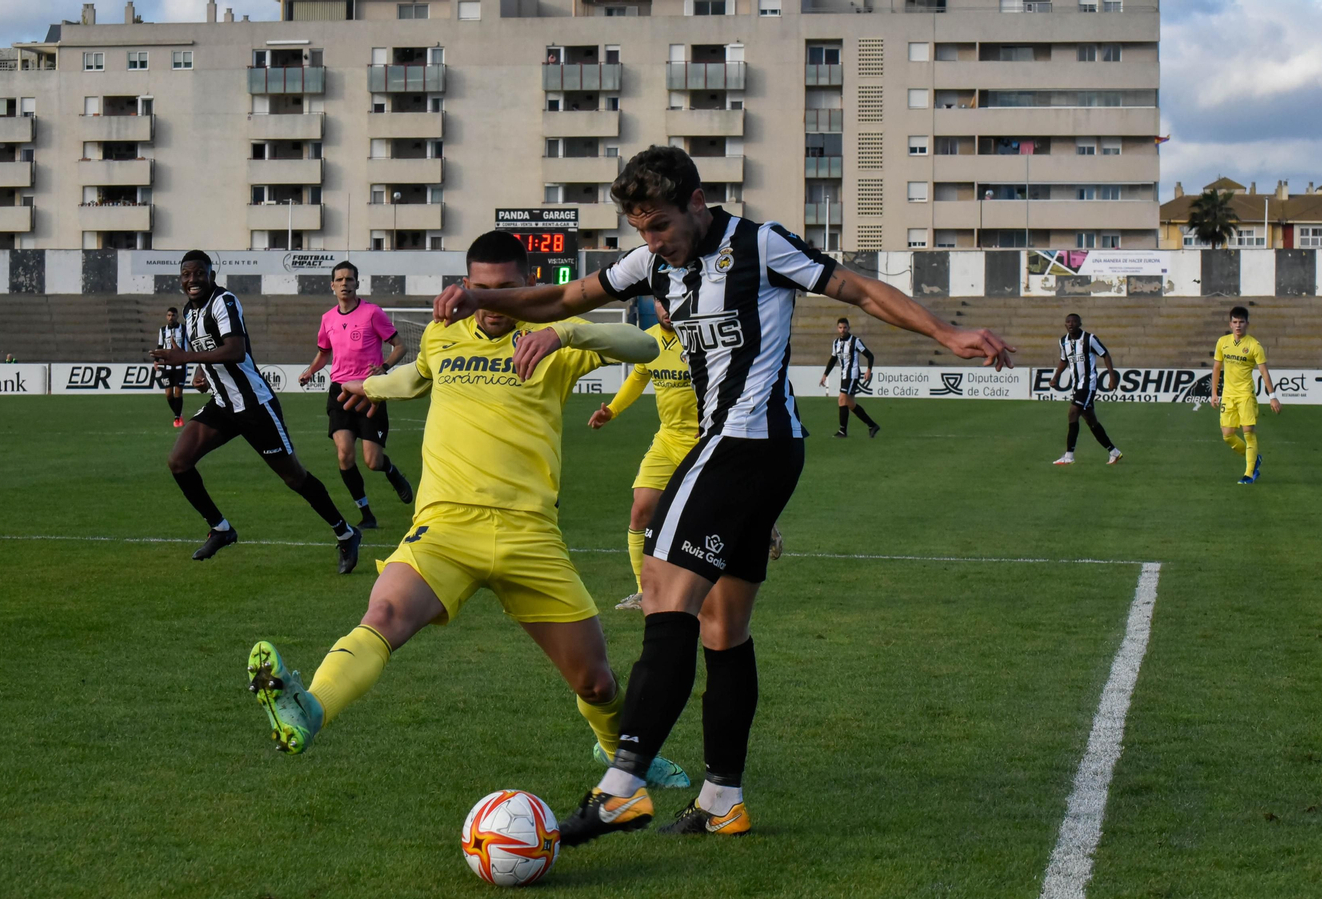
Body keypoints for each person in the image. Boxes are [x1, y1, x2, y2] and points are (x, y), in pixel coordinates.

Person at [428, 145, 1014, 843]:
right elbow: (562, 297)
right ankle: (722, 799)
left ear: (697, 204)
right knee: (722, 627)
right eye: (642, 231)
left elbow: (854, 288)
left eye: (661, 227)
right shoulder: (652, 264)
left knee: (663, 594)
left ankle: (621, 788)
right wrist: (481, 297)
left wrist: (945, 332)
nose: (652, 244)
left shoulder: (759, 245)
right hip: (757, 454)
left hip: (743, 443)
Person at [244, 232, 688, 789]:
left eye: (506, 290)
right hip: (447, 524)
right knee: (383, 615)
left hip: (530, 534)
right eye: (481, 290)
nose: (493, 301)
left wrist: (561, 330)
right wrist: (373, 385)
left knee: (596, 683)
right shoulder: (443, 332)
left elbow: (644, 347)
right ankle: (310, 708)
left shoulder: (554, 340)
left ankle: (622, 758)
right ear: (466, 286)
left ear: (530, 286)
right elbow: (418, 375)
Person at [150, 250, 362, 572]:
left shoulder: (224, 301)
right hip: (223, 404)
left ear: (211, 275)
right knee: (179, 462)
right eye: (186, 275)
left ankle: (345, 533)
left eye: (199, 274)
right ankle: (221, 528)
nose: (192, 280)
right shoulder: (189, 312)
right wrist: (200, 374)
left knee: (294, 477)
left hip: (254, 406)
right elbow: (211, 350)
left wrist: (187, 359)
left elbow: (235, 350)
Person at [589, 299, 782, 612]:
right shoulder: (647, 341)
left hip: (704, 438)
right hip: (667, 439)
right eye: (660, 303)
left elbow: (732, 379)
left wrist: (715, 419)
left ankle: (760, 525)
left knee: (714, 514)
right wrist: (611, 410)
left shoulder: (702, 338)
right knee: (641, 509)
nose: (665, 309)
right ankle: (644, 592)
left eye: (670, 303)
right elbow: (638, 378)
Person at [298, 260, 415, 529]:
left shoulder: (373, 313)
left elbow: (400, 346)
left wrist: (383, 368)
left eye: (349, 279)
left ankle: (392, 472)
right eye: (339, 280)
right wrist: (310, 371)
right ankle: (366, 514)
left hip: (369, 391)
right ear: (332, 286)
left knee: (372, 461)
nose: (344, 284)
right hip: (339, 391)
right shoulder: (327, 318)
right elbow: (324, 352)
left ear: (357, 283)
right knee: (344, 454)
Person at [1210, 305, 1280, 484]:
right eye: (1235, 322)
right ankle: (1255, 458)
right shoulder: (1222, 342)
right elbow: (1217, 367)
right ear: (1230, 324)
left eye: (1241, 322)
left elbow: (1264, 372)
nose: (1238, 325)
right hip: (1228, 394)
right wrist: (1214, 392)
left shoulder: (1254, 345)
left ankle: (1249, 473)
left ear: (1247, 323)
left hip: (1246, 394)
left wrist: (1272, 396)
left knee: (1248, 431)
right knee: (1227, 435)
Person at [1050, 313, 1122, 466]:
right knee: (1091, 420)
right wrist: (1056, 377)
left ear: (1080, 323)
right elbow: (1064, 360)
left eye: (1074, 321)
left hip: (1088, 384)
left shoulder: (1089, 339)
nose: (1071, 324)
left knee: (1073, 412)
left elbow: (1105, 354)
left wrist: (1112, 377)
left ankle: (1069, 456)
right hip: (1076, 385)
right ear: (1065, 324)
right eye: (1068, 322)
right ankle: (1114, 452)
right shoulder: (1063, 341)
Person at [818, 317, 879, 438]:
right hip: (844, 375)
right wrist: (825, 374)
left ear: (848, 328)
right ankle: (872, 425)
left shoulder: (855, 341)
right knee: (850, 404)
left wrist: (869, 370)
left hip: (852, 375)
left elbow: (870, 356)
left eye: (845, 327)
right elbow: (833, 359)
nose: (842, 330)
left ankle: (842, 431)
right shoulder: (836, 343)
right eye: (840, 327)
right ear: (837, 328)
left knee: (841, 400)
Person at [154, 306, 189, 428]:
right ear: (166, 316)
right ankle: (178, 413)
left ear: (177, 316)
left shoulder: (184, 329)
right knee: (169, 394)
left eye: (173, 315)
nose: (171, 317)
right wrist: (156, 361)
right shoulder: (163, 330)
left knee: (178, 391)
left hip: (180, 364)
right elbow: (160, 345)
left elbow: (191, 342)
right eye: (169, 315)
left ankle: (177, 418)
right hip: (167, 365)